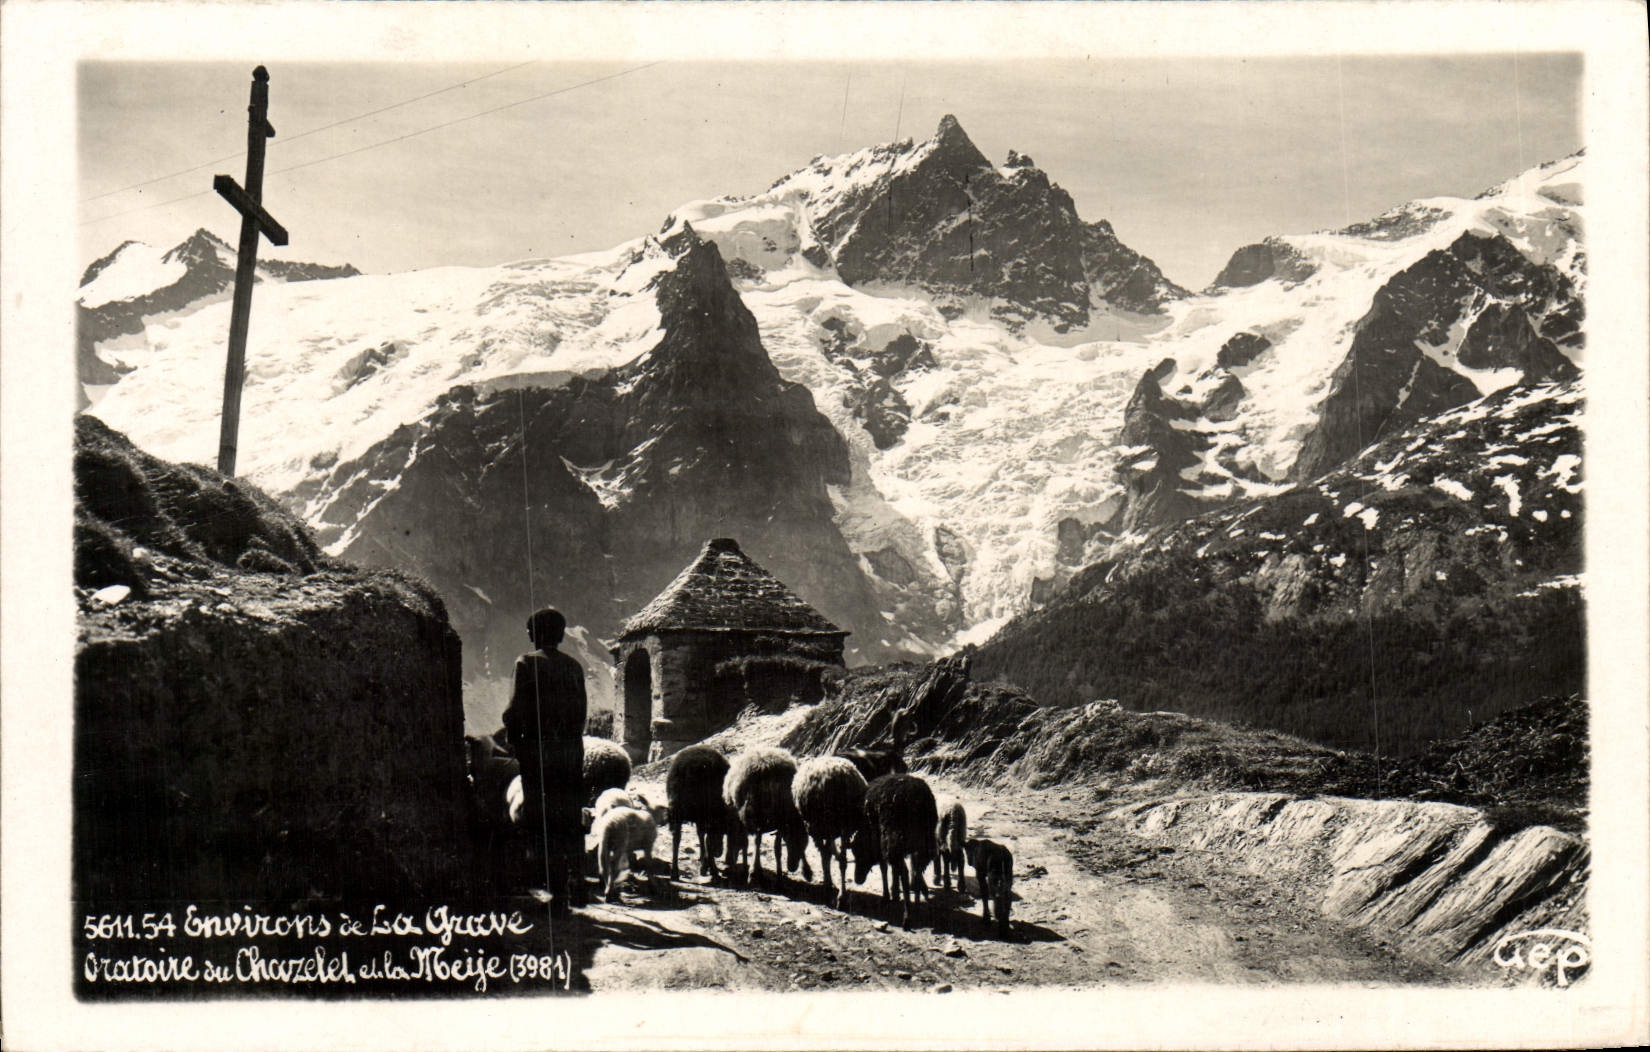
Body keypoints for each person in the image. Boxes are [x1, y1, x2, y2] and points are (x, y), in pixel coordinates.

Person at [502, 606, 588, 915]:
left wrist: (513, 741)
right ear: (562, 635)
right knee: (569, 818)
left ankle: (555, 893)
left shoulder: (526, 663)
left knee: (543, 821)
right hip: (570, 754)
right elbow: (580, 714)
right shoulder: (574, 666)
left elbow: (515, 711)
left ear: (535, 635)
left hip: (539, 756)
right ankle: (577, 882)